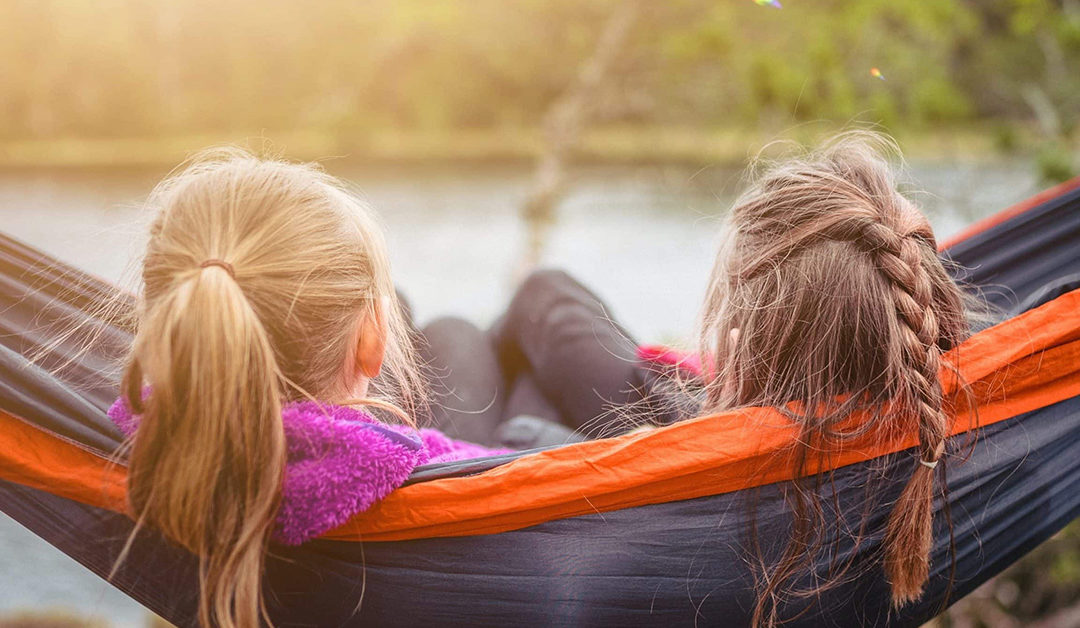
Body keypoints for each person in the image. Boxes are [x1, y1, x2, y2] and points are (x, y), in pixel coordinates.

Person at [488, 131, 974, 623]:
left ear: (740, 348)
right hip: (743, 435)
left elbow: (521, 438)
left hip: (692, 452)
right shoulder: (964, 413)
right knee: (538, 314)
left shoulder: (694, 518)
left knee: (499, 324)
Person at [108, 149, 506, 628]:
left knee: (436, 323)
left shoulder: (146, 440)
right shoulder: (420, 476)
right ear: (372, 341)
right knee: (465, 330)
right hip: (491, 471)